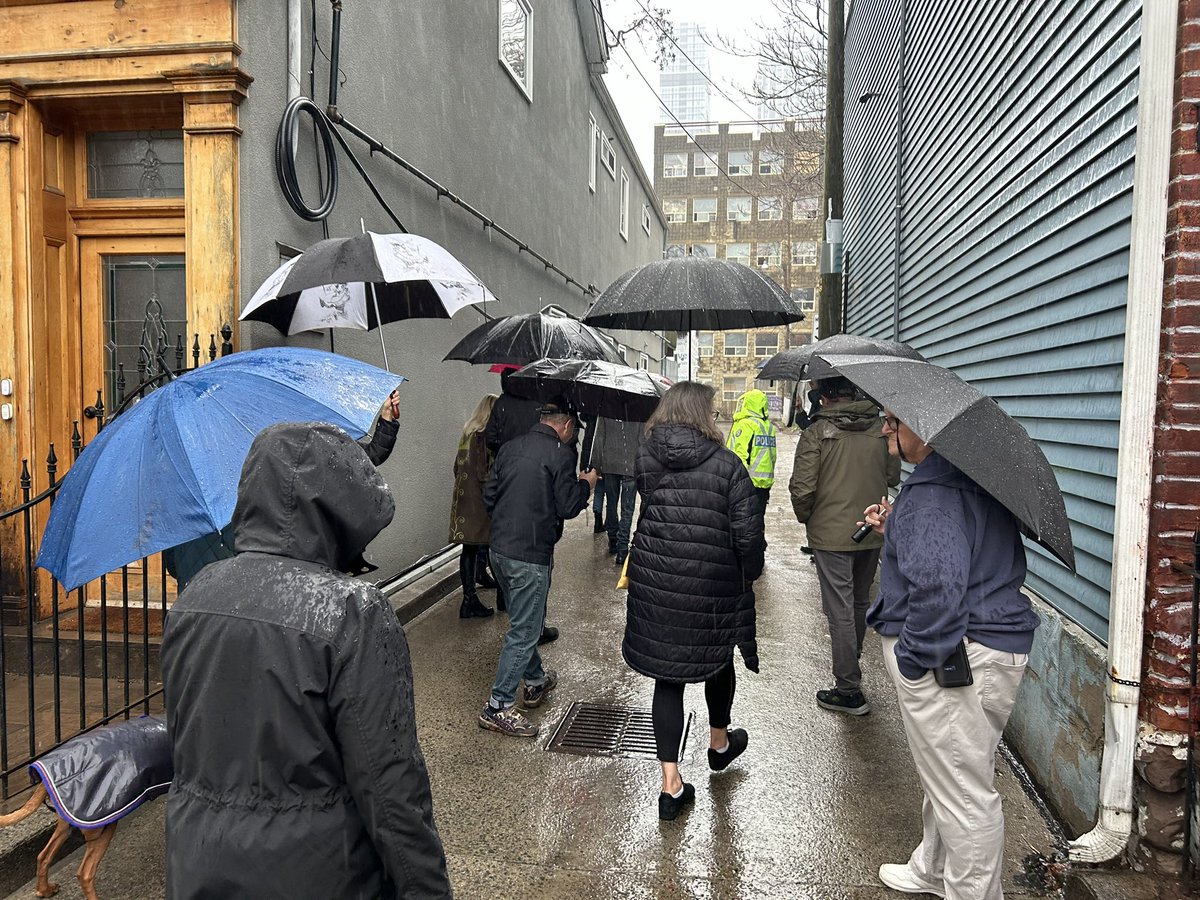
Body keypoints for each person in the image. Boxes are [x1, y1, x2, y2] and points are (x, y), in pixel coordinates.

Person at [161, 422, 451, 899]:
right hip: (319, 877)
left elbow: (188, 740)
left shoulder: (196, 596)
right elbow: (390, 786)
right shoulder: (352, 612)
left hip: (197, 870)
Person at [862, 410, 1039, 900]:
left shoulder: (933, 498)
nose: (884, 430)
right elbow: (959, 551)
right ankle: (933, 868)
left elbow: (939, 592)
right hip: (989, 648)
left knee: (964, 793)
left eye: (893, 421)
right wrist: (897, 532)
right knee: (950, 773)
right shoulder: (964, 483)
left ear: (928, 429)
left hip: (955, 659)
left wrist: (913, 662)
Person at [623, 382, 765, 821]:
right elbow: (747, 536)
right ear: (704, 414)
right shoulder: (728, 466)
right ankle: (719, 743)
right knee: (717, 659)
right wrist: (751, 569)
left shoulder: (645, 456)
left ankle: (671, 786)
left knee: (667, 677)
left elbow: (655, 505)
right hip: (711, 579)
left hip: (657, 578)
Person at [163, 390, 401, 590]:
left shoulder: (179, 494)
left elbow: (172, 566)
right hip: (246, 598)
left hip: (196, 608)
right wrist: (386, 422)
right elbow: (355, 463)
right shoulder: (257, 473)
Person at [478, 398, 599, 738]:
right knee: (525, 630)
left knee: (522, 621)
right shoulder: (561, 455)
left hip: (499, 550)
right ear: (566, 426)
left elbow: (490, 496)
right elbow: (568, 505)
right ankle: (497, 706)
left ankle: (535, 681)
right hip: (530, 556)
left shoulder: (510, 448)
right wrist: (586, 483)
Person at [789, 376, 899, 715]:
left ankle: (848, 688)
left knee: (838, 608)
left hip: (830, 534)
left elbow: (803, 489)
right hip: (871, 528)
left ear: (824, 398)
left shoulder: (816, 433)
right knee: (858, 602)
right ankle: (851, 664)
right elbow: (892, 476)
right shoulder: (881, 429)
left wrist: (809, 518)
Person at [450, 393, 500, 619]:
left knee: (468, 548)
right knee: (487, 544)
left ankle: (471, 594)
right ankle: (473, 600)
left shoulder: (467, 433)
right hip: (478, 502)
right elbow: (484, 474)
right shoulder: (483, 436)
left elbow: (456, 468)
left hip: (463, 500)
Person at [590, 415, 641, 567]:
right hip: (631, 464)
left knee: (611, 505)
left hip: (610, 464)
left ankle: (613, 540)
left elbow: (599, 439)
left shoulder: (607, 410)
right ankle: (623, 549)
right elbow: (644, 440)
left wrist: (596, 465)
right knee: (628, 509)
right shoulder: (640, 409)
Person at [725, 388, 777, 526]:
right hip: (764, 484)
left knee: (742, 524)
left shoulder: (745, 425)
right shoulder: (768, 427)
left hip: (746, 484)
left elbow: (738, 455)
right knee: (758, 522)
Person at [484, 368, 542, 455]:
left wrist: (504, 450)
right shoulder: (538, 403)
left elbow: (490, 438)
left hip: (507, 458)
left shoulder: (502, 403)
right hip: (534, 456)